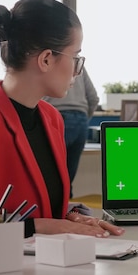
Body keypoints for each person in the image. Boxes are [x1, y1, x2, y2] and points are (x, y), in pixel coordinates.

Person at [0, 0, 124, 275]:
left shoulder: (51, 119)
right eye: (76, 57)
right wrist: (41, 226)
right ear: (46, 59)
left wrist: (72, 220)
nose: (78, 71)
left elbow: (36, 208)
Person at [43, 68, 99, 198]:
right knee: (66, 181)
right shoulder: (78, 66)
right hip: (81, 122)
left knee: (50, 179)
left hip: (57, 117)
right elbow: (93, 98)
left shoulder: (47, 63)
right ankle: (66, 214)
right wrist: (83, 118)